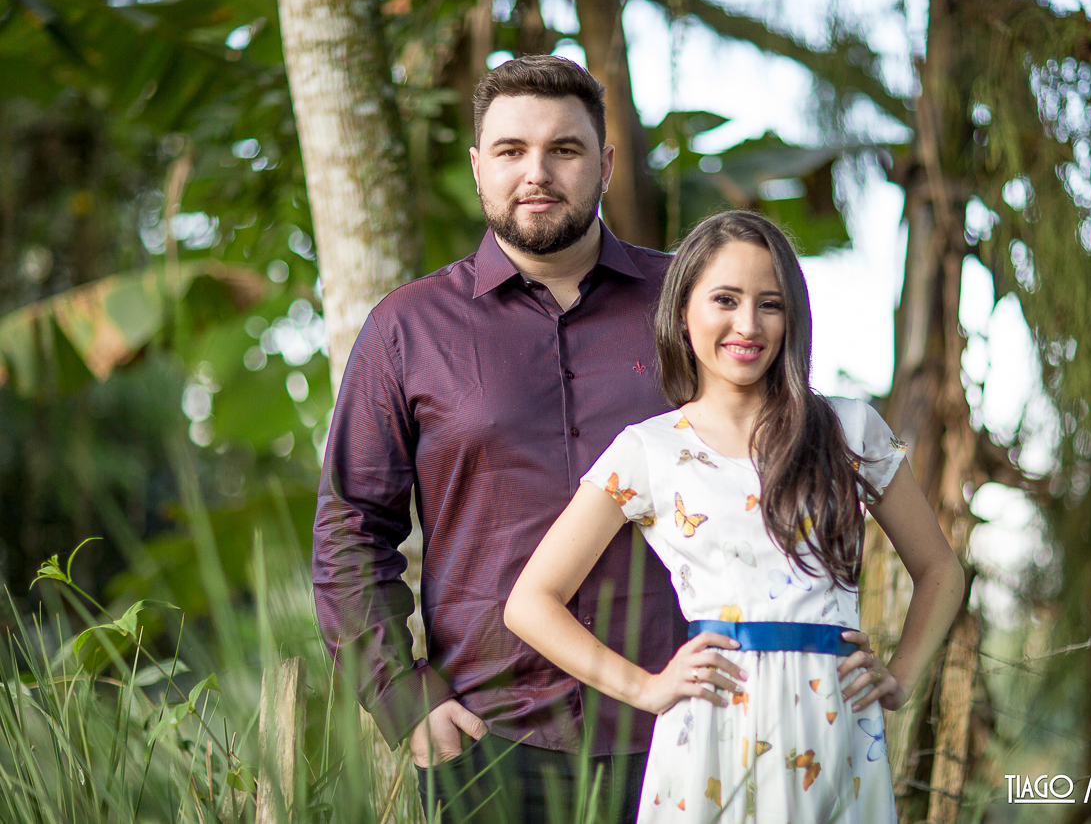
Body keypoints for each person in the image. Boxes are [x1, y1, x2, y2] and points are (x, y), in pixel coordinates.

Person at [312, 55, 688, 824]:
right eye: (512, 151)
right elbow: (351, 526)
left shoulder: (689, 303)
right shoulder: (406, 329)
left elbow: (776, 464)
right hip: (492, 740)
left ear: (606, 165)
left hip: (686, 727)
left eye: (565, 149)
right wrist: (400, 697)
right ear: (480, 168)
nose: (537, 173)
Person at [505, 210, 965, 821]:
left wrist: (901, 678)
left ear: (791, 317)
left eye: (769, 304)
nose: (747, 324)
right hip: (711, 734)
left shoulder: (849, 430)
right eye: (725, 299)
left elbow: (941, 570)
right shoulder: (650, 449)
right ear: (683, 310)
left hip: (836, 731)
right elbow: (530, 602)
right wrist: (645, 688)